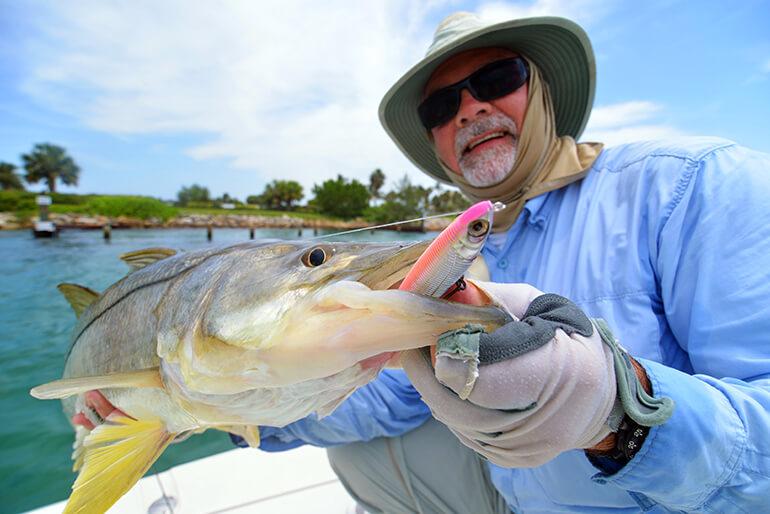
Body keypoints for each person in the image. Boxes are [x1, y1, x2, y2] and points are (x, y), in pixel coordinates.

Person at [79, 12, 770, 513]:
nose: (470, 108)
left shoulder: (693, 185)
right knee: (357, 451)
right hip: (514, 498)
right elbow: (389, 397)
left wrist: (614, 410)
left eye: (496, 77)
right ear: (439, 142)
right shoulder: (470, 248)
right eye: (443, 104)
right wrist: (208, 405)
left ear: (545, 91)